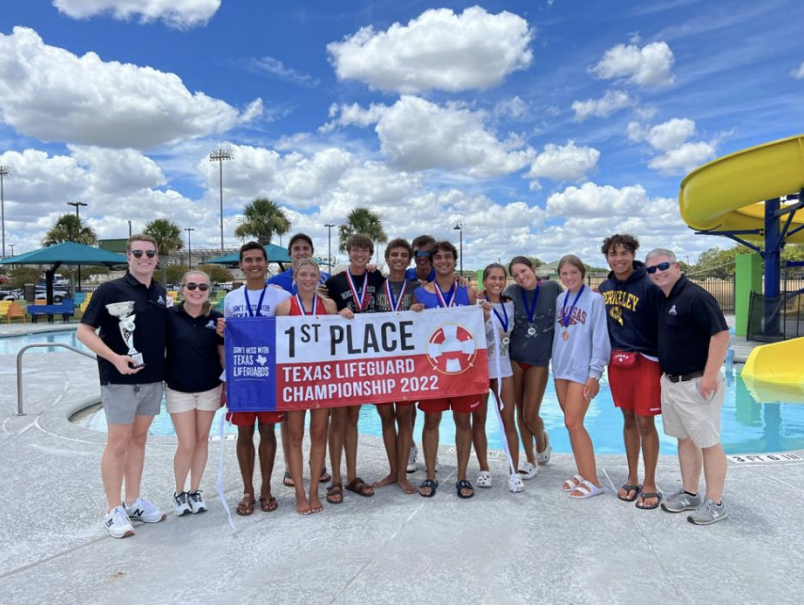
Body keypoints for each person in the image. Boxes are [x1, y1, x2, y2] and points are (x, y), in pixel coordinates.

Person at [77, 234, 168, 538]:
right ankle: (113, 508)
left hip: (152, 379)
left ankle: (133, 500)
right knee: (118, 443)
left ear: (157, 257)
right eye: (138, 253)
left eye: (150, 253)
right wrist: (115, 358)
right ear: (128, 257)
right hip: (119, 379)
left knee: (139, 439)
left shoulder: (159, 292)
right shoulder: (109, 289)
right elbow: (84, 331)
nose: (145, 257)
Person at [646, 248, 730, 525]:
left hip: (696, 382)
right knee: (685, 439)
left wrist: (709, 376)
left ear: (676, 266)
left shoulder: (695, 297)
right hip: (672, 382)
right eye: (652, 269)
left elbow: (720, 335)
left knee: (708, 443)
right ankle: (690, 493)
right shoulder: (663, 297)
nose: (658, 272)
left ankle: (715, 502)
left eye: (663, 266)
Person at [218, 242, 291, 516]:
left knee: (268, 431)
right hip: (242, 376)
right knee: (244, 432)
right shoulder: (231, 299)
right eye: (248, 260)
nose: (254, 264)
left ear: (266, 262)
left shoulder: (281, 296)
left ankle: (266, 488)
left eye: (259, 259)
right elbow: (227, 338)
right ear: (241, 264)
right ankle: (248, 490)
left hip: (270, 376)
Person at [598, 234, 664, 509]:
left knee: (646, 423)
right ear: (607, 258)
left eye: (624, 253)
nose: (619, 259)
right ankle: (633, 477)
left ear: (633, 254)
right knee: (627, 419)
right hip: (618, 362)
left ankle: (650, 482)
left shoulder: (649, 284)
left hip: (646, 360)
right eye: (613, 254)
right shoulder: (603, 287)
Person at [413, 240, 482, 499]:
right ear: (431, 262)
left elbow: (476, 330)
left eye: (447, 257)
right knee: (431, 421)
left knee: (463, 422)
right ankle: (430, 475)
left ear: (454, 260)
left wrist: (483, 314)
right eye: (438, 257)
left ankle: (463, 476)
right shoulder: (420, 294)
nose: (443, 261)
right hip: (433, 370)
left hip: (464, 369)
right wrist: (414, 312)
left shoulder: (468, 293)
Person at [266, 233, 331, 490]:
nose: (301, 252)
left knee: (319, 423)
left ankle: (320, 464)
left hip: (317, 367)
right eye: (297, 249)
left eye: (306, 248)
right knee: (289, 423)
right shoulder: (275, 283)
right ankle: (289, 467)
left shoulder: (325, 283)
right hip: (290, 367)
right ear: (289, 253)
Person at [324, 233, 386, 503]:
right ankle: (335, 480)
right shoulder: (334, 281)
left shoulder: (377, 279)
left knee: (353, 418)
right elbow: (322, 312)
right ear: (348, 252)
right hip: (340, 357)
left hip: (366, 357)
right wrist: (336, 314)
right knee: (337, 419)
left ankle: (351, 476)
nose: (360, 254)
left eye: (364, 251)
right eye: (355, 250)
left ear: (370, 255)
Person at [275, 258, 338, 514]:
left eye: (313, 274)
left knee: (319, 435)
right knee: (295, 436)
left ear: (319, 278)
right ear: (295, 277)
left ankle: (314, 490)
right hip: (295, 380)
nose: (309, 279)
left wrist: (345, 317)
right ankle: (300, 492)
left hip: (322, 379)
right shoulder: (284, 307)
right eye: (304, 274)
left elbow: (338, 342)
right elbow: (278, 346)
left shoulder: (330, 305)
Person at [165, 270, 224, 516]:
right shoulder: (168, 317)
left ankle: (195, 490)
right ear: (182, 289)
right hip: (179, 388)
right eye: (192, 285)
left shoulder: (217, 319)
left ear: (209, 290)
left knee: (202, 440)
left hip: (209, 387)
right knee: (187, 442)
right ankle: (179, 492)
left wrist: (227, 384)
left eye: (202, 287)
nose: (197, 290)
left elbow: (222, 354)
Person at [552, 255, 611, 499]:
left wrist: (594, 374)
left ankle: (594, 480)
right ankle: (582, 472)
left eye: (573, 273)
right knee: (570, 424)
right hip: (560, 369)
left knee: (574, 423)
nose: (569, 278)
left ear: (582, 273)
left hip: (581, 370)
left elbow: (600, 337)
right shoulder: (560, 298)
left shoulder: (595, 299)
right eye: (564, 274)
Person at [504, 256, 562, 480]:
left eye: (523, 271)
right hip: (515, 358)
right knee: (519, 412)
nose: (521, 277)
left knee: (530, 414)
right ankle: (530, 460)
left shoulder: (552, 288)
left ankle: (541, 438)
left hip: (538, 360)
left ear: (533, 269)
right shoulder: (511, 292)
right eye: (516, 274)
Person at [373, 238, 421, 494]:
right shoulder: (374, 286)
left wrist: (420, 307)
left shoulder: (418, 288)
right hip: (380, 362)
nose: (399, 258)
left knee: (405, 417)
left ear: (409, 259)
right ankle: (393, 471)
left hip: (407, 363)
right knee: (385, 417)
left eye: (404, 254)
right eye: (394, 254)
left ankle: (402, 474)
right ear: (387, 258)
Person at [478, 264, 524, 492]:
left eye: (501, 278)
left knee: (509, 420)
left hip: (503, 367)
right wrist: (483, 315)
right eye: (492, 278)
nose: (497, 282)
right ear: (484, 281)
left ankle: (513, 472)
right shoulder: (476, 305)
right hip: (480, 369)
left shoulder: (510, 305)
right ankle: (484, 469)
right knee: (479, 421)